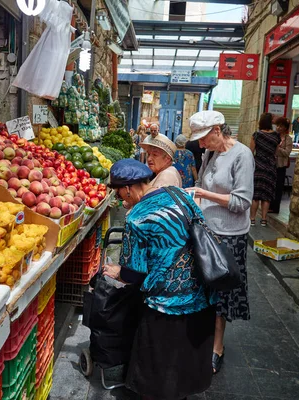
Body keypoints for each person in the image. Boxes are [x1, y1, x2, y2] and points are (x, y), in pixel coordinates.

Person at [103, 158, 217, 400]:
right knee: (185, 363)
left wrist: (117, 272)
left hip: (166, 306)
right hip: (201, 295)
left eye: (120, 193)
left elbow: (134, 273)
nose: (122, 200)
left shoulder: (137, 218)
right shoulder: (178, 194)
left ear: (127, 188)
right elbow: (200, 226)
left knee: (160, 371)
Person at [186, 110, 254, 375]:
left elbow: (241, 202)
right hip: (206, 229)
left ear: (217, 130)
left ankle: (217, 347)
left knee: (222, 294)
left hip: (229, 235)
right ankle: (200, 339)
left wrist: (205, 194)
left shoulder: (242, 155)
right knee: (203, 289)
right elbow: (201, 183)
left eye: (204, 138)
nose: (200, 144)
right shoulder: (209, 153)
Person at [249, 113, 280, 227]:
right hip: (270, 167)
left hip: (258, 166)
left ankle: (252, 219)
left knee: (255, 195)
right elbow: (276, 152)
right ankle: (264, 219)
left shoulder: (256, 135)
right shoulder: (276, 135)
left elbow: (250, 151)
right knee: (266, 195)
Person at [270, 117, 293, 214]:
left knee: (278, 187)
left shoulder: (288, 139)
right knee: (271, 186)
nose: (278, 128)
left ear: (285, 128)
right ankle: (269, 206)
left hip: (281, 166)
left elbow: (287, 153)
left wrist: (277, 149)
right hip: (271, 165)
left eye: (281, 126)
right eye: (278, 125)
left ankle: (275, 208)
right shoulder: (273, 136)